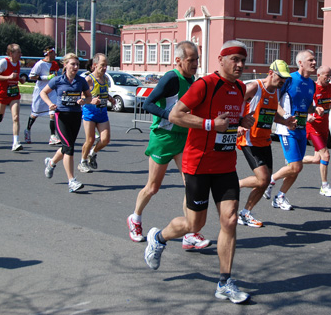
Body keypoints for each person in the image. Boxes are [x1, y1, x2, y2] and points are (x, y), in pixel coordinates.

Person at [143, 40, 254, 304]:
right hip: (198, 166)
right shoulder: (203, 85)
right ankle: (158, 238)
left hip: (225, 165)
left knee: (229, 220)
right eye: (235, 59)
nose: (240, 65)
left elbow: (226, 120)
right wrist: (208, 124)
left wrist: (241, 121)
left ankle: (225, 283)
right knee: (195, 224)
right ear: (221, 59)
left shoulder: (239, 88)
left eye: (243, 60)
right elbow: (176, 115)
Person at [127, 41, 211, 250]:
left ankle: (189, 234)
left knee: (190, 185)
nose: (195, 64)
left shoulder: (194, 81)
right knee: (153, 187)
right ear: (178, 60)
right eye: (191, 60)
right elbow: (147, 103)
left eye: (197, 60)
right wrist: (171, 116)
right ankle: (135, 219)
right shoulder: (171, 78)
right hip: (163, 137)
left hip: (184, 139)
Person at [236, 59, 295, 228]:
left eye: (285, 78)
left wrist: (286, 122)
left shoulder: (276, 91)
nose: (282, 81)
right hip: (249, 140)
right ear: (270, 73)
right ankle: (237, 185)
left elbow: (271, 115)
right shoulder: (255, 87)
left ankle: (245, 213)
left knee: (266, 179)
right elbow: (235, 105)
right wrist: (239, 124)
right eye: (280, 77)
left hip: (264, 140)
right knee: (262, 179)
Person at [265, 49, 318, 210]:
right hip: (286, 128)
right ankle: (270, 180)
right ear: (300, 63)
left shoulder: (312, 84)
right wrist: (286, 117)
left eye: (315, 60)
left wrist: (316, 110)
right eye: (311, 60)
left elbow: (308, 106)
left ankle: (280, 196)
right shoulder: (289, 79)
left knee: (295, 169)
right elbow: (276, 101)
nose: (314, 62)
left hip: (301, 128)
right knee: (296, 166)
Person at [41, 53, 92, 193]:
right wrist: (50, 104)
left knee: (66, 148)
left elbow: (89, 97)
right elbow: (43, 93)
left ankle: (51, 163)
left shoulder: (81, 81)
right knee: (69, 147)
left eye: (77, 65)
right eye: (72, 64)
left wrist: (84, 101)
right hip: (61, 116)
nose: (75, 67)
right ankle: (71, 181)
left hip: (75, 116)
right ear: (65, 65)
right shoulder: (58, 80)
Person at [302, 65, 331, 197]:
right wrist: (309, 116)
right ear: (319, 75)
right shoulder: (312, 88)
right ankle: (324, 186)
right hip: (313, 127)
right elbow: (304, 105)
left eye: (330, 75)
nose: (329, 78)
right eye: (326, 75)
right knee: (326, 155)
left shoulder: (330, 87)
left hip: (324, 126)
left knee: (318, 158)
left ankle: (294, 161)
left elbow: (329, 104)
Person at [78, 53, 115, 174]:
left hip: (102, 113)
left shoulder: (105, 79)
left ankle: (92, 153)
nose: (105, 68)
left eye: (106, 65)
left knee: (105, 139)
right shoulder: (89, 79)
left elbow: (103, 93)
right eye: (102, 65)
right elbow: (83, 97)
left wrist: (110, 98)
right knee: (90, 139)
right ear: (94, 65)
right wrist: (91, 100)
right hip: (90, 113)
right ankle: (82, 162)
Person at [0, 43, 25, 151]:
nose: (20, 54)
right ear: (11, 53)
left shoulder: (18, 63)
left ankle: (16, 142)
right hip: (3, 93)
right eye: (18, 52)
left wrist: (20, 79)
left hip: (14, 93)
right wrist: (8, 77)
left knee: (16, 117)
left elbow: (15, 75)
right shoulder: (4, 62)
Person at [25, 47, 61, 145]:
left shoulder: (55, 64)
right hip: (40, 91)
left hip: (51, 90)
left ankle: (52, 136)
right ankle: (27, 130)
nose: (55, 55)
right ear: (48, 54)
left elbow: (56, 75)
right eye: (53, 53)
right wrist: (45, 77)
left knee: (52, 112)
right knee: (35, 113)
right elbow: (31, 76)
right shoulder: (40, 64)